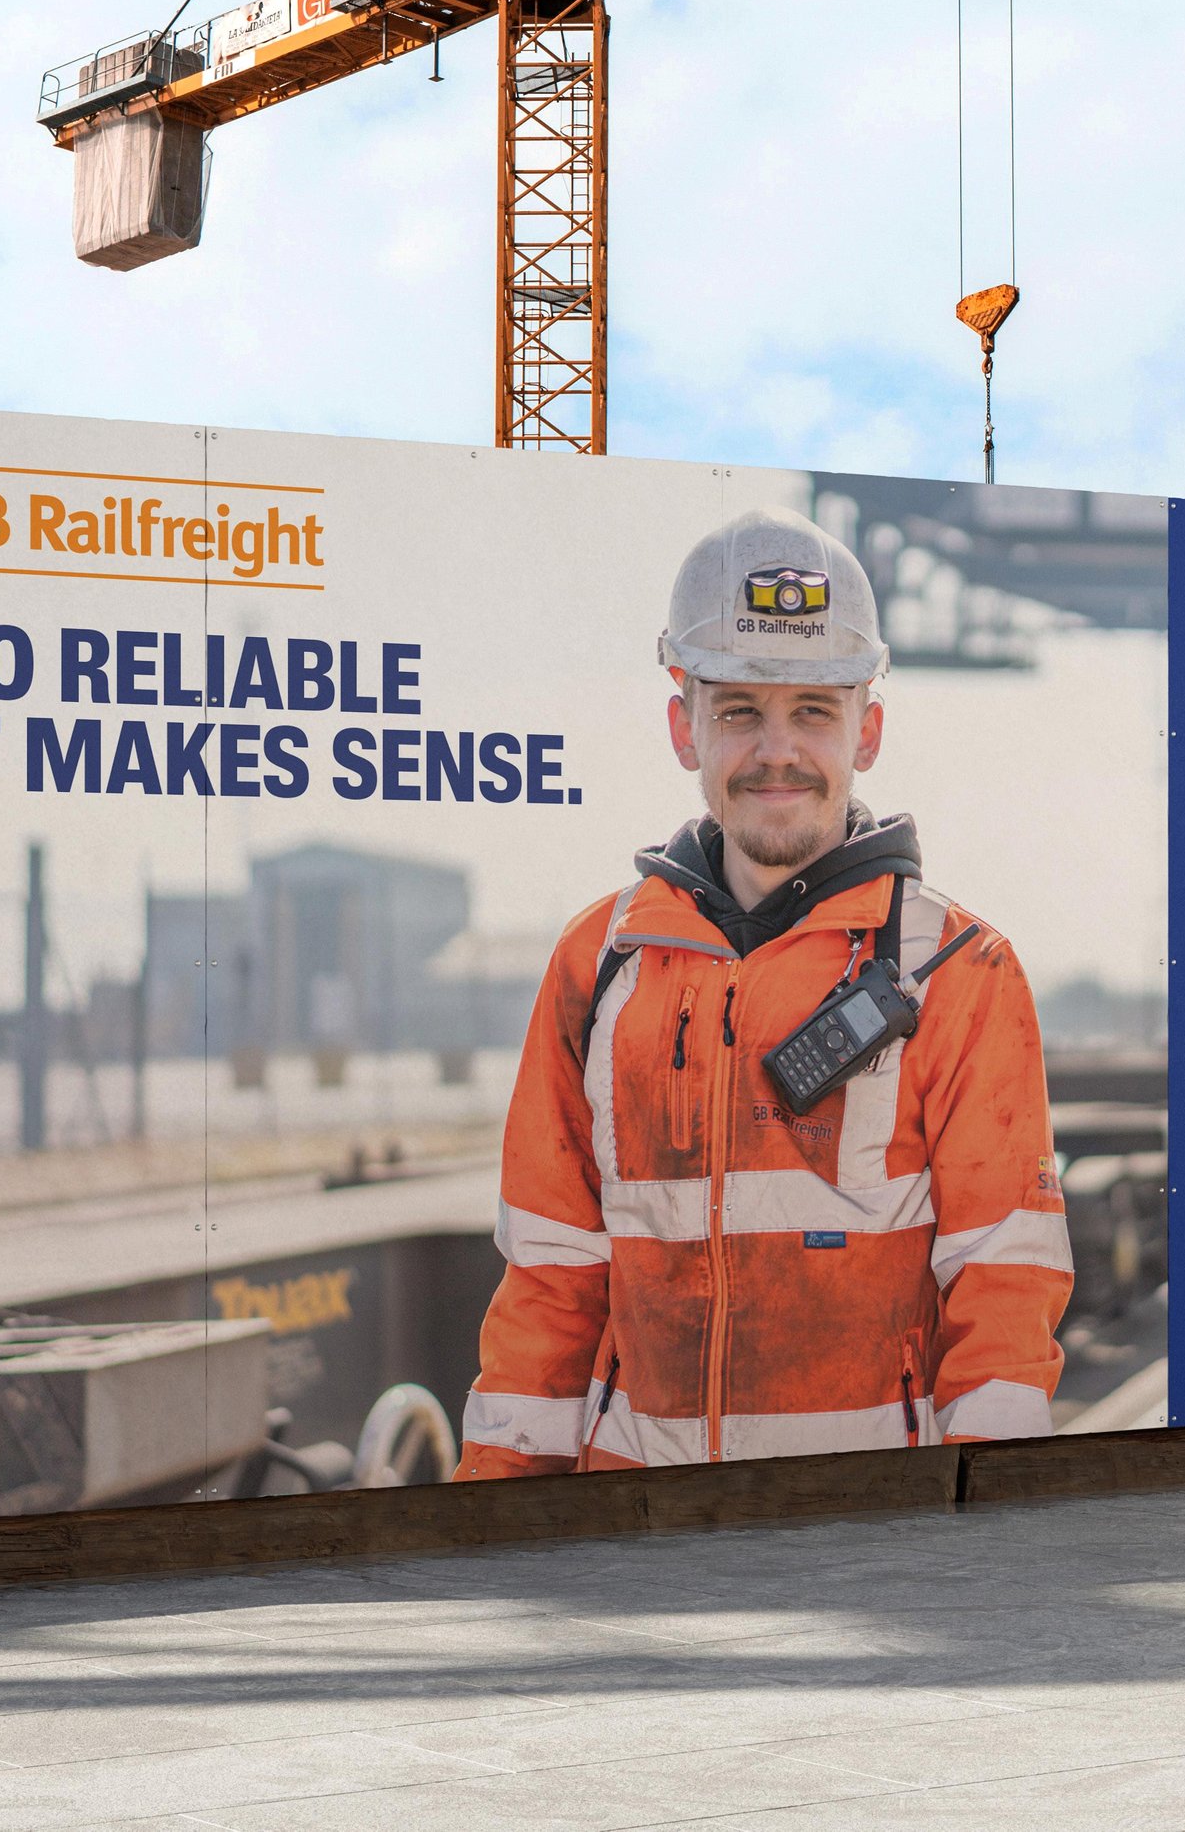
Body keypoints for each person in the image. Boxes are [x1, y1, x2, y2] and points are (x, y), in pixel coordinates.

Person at [455, 505, 1072, 1476]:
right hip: (636, 1546)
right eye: (739, 710)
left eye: (812, 712)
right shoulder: (600, 963)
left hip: (864, 1549)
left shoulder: (958, 972)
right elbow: (548, 1286)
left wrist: (979, 1547)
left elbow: (1002, 1301)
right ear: (682, 726)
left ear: (865, 732)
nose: (775, 750)